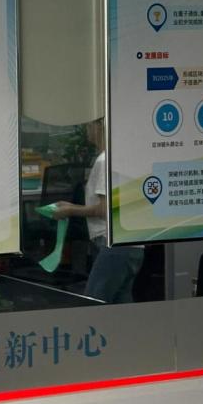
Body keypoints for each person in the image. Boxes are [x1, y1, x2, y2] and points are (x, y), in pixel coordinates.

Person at [51, 120, 143, 303]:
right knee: (121, 306)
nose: (87, 130)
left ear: (100, 125)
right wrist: (71, 206)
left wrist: (70, 211)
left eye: (89, 125)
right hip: (131, 244)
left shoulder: (104, 160)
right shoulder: (120, 156)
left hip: (112, 244)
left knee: (94, 303)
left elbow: (103, 209)